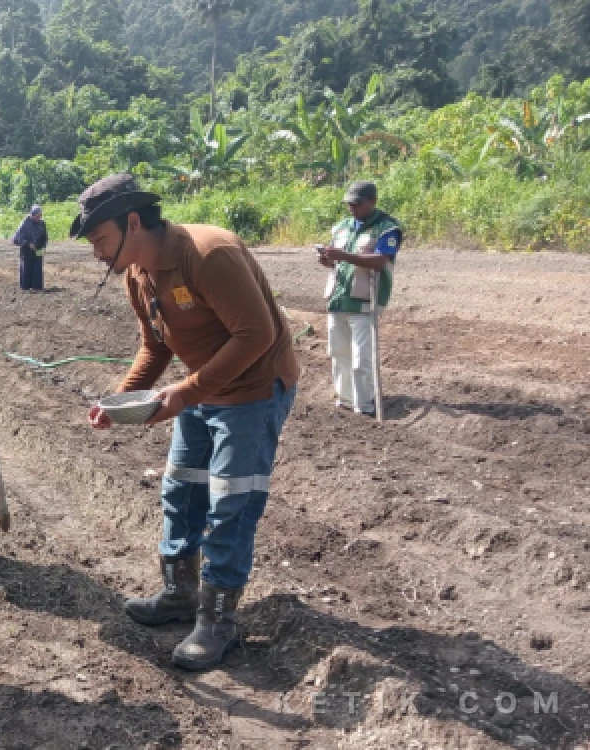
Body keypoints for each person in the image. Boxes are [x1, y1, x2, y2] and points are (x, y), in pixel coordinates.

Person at [75, 174, 299, 671]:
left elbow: (256, 333)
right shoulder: (139, 272)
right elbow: (156, 346)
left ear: (132, 222)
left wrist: (186, 393)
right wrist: (123, 399)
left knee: (230, 505)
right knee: (181, 489)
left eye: (100, 241)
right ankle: (179, 594)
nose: (96, 254)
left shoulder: (208, 254)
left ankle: (218, 622)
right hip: (200, 387)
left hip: (252, 388)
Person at [317, 180, 403, 417]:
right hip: (338, 297)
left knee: (360, 360)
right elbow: (335, 259)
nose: (352, 208)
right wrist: (328, 259)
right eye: (349, 204)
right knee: (338, 353)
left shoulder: (387, 228)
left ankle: (363, 405)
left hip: (366, 301)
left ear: (372, 202)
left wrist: (343, 255)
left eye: (357, 204)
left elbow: (380, 260)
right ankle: (344, 400)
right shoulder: (342, 227)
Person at [12, 204, 48, 292]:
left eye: (40, 215)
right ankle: (26, 287)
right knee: (26, 268)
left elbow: (45, 236)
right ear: (32, 214)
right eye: (37, 215)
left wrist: (43, 246)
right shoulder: (24, 223)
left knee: (38, 268)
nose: (38, 217)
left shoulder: (42, 223)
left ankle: (37, 287)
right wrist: (27, 244)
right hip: (26, 250)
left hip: (38, 249)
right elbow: (17, 238)